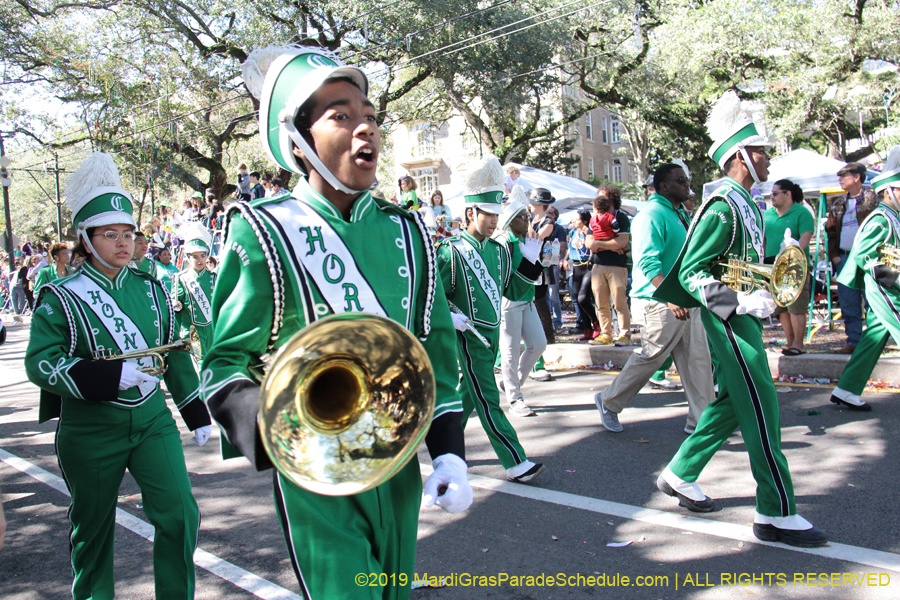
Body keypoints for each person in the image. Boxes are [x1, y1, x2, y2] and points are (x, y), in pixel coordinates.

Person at [202, 46, 472, 600]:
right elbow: (223, 364)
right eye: (341, 116)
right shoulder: (264, 230)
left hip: (396, 459)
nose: (365, 128)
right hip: (316, 474)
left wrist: (449, 450)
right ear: (299, 142)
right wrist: (282, 438)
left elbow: (436, 352)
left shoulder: (409, 233)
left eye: (370, 116)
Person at [24, 152, 212, 599]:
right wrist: (106, 377)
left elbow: (174, 353)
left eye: (128, 233)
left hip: (151, 421)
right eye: (110, 235)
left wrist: (196, 412)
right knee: (92, 533)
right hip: (91, 429)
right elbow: (41, 362)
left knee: (180, 515)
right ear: (86, 239)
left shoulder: (152, 290)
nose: (124, 243)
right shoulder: (60, 296)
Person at [652, 90, 827, 548]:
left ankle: (680, 472)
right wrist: (738, 303)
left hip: (741, 317)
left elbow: (736, 264)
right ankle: (775, 511)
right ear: (741, 156)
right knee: (763, 406)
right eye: (762, 151)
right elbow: (692, 272)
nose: (768, 159)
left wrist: (766, 282)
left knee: (734, 401)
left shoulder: (748, 203)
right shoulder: (723, 205)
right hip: (728, 321)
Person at [437, 155, 545, 482]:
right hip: (469, 336)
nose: (495, 222)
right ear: (471, 212)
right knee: (488, 399)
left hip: (492, 334)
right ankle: (515, 461)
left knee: (467, 396)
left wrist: (530, 262)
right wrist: (448, 318)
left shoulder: (498, 251)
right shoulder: (451, 250)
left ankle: (442, 445)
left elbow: (512, 289)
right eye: (489, 215)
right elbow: (433, 295)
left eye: (497, 215)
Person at [593, 163, 714, 434]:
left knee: (697, 361)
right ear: (664, 186)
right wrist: (671, 296)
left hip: (685, 299)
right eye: (681, 181)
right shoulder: (651, 214)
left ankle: (702, 422)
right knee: (652, 358)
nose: (687, 184)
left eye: (687, 180)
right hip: (660, 300)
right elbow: (648, 262)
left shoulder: (678, 213)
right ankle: (608, 401)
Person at [830, 146, 900, 412]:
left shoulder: (893, 217)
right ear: (889, 191)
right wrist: (894, 278)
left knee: (872, 339)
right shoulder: (881, 218)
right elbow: (863, 254)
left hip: (888, 288)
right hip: (886, 289)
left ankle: (846, 389)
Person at [494, 187, 546, 417]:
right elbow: (505, 276)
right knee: (510, 352)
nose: (528, 220)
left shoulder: (526, 239)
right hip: (510, 302)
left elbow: (534, 273)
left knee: (538, 345)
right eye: (523, 217)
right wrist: (530, 263)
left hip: (527, 300)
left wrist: (536, 262)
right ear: (510, 221)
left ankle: (510, 384)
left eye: (528, 216)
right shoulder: (503, 241)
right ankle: (515, 398)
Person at [826, 162, 878, 354]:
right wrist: (835, 257)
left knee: (873, 300)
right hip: (845, 258)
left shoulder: (873, 199)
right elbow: (831, 232)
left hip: (868, 258)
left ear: (857, 177)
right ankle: (853, 341)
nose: (840, 179)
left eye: (844, 176)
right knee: (848, 302)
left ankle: (874, 342)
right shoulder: (838, 204)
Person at [764, 179, 815, 355]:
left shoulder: (802, 213)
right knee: (782, 307)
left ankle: (799, 344)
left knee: (796, 306)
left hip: (795, 266)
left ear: (788, 194)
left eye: (775, 193)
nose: (772, 197)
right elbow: (763, 240)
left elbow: (805, 238)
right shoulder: (767, 215)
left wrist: (792, 256)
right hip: (773, 265)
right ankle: (790, 341)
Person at [587, 185, 631, 345]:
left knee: (619, 303)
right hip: (598, 265)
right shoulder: (595, 218)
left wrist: (599, 244)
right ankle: (606, 334)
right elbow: (588, 243)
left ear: (612, 199)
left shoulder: (621, 217)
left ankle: (624, 334)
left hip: (617, 266)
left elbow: (622, 241)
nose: (599, 200)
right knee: (601, 303)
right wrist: (609, 245)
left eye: (603, 197)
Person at [172, 223, 216, 355]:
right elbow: (175, 310)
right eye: (195, 257)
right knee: (200, 362)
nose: (199, 260)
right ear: (188, 258)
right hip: (192, 329)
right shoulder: (181, 278)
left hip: (212, 329)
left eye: (202, 255)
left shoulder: (214, 277)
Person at [565, 210, 599, 340]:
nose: (575, 221)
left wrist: (587, 235)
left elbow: (593, 247)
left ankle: (596, 323)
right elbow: (570, 248)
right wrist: (565, 259)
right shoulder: (573, 232)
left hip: (587, 267)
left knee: (583, 298)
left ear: (585, 221)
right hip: (576, 266)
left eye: (578, 219)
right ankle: (587, 329)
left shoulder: (590, 232)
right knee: (577, 298)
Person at [545, 206, 568, 331]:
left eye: (547, 213)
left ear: (553, 216)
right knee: (543, 296)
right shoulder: (540, 226)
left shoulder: (559, 229)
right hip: (542, 265)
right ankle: (546, 323)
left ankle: (557, 323)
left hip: (553, 265)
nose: (545, 214)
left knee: (553, 295)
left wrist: (549, 247)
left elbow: (562, 246)